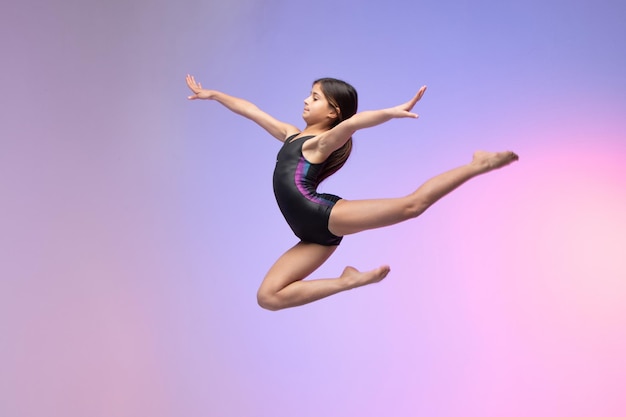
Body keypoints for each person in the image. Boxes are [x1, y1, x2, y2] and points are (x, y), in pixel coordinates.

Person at [186, 74, 518, 311]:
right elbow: (251, 110)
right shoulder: (290, 135)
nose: (306, 99)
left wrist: (391, 111)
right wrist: (214, 95)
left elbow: (353, 124)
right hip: (311, 236)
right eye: (309, 94)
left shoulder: (320, 143)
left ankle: (478, 164)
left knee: (411, 206)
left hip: (321, 214)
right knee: (269, 297)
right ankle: (348, 281)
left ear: (332, 112)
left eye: (315, 97)